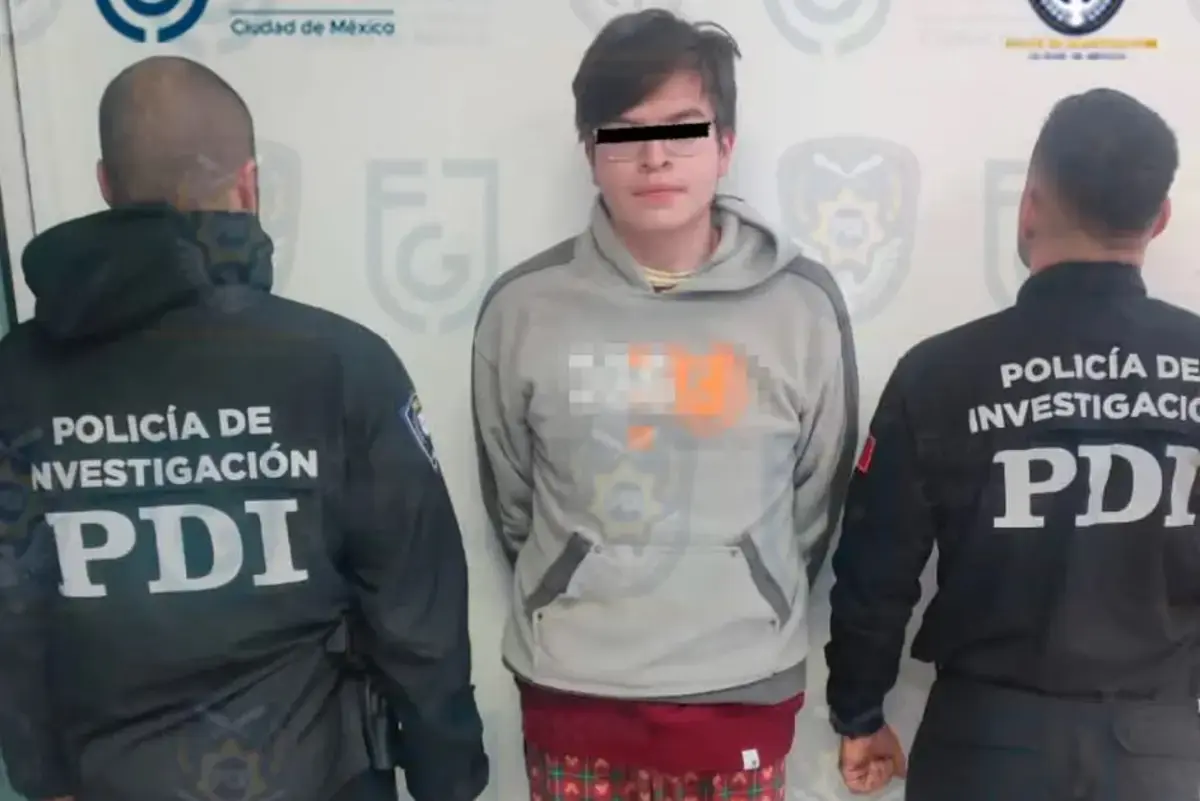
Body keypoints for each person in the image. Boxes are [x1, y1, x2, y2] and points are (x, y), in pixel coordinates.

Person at [0, 55, 488, 801]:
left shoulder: (14, 379)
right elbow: (417, 616)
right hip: (319, 777)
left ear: (106, 185)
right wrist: (446, 777)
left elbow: (11, 614)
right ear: (250, 185)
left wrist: (44, 780)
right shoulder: (341, 363)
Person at [471, 10, 858, 800]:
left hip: (740, 683)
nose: (654, 157)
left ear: (725, 144)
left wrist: (747, 576)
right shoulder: (522, 309)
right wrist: (579, 572)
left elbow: (816, 502)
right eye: (623, 133)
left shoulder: (802, 306)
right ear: (590, 152)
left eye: (682, 128)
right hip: (575, 689)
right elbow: (513, 500)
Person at [824, 87, 1199, 801]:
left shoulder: (940, 372)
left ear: (1028, 208)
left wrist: (860, 711)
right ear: (1159, 220)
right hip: (1163, 753)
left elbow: (876, 569)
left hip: (985, 747)